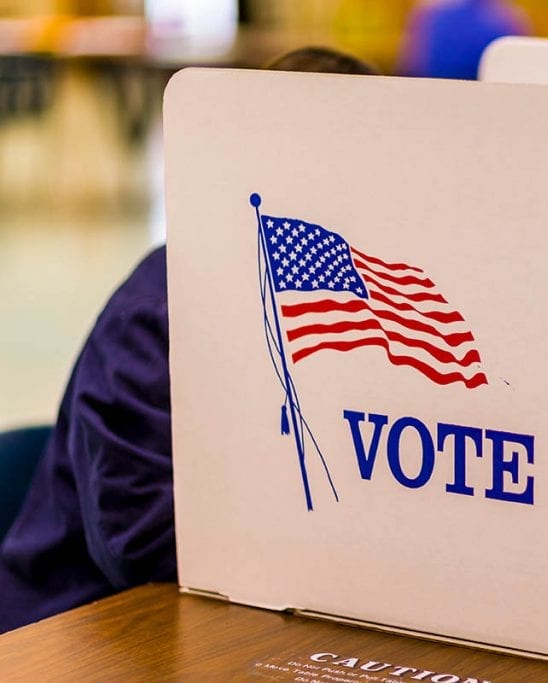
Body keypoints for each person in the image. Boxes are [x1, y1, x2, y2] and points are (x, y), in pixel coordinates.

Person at [0, 47, 379, 634]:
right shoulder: (162, 309)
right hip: (79, 624)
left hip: (225, 616)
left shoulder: (337, 306)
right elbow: (136, 541)